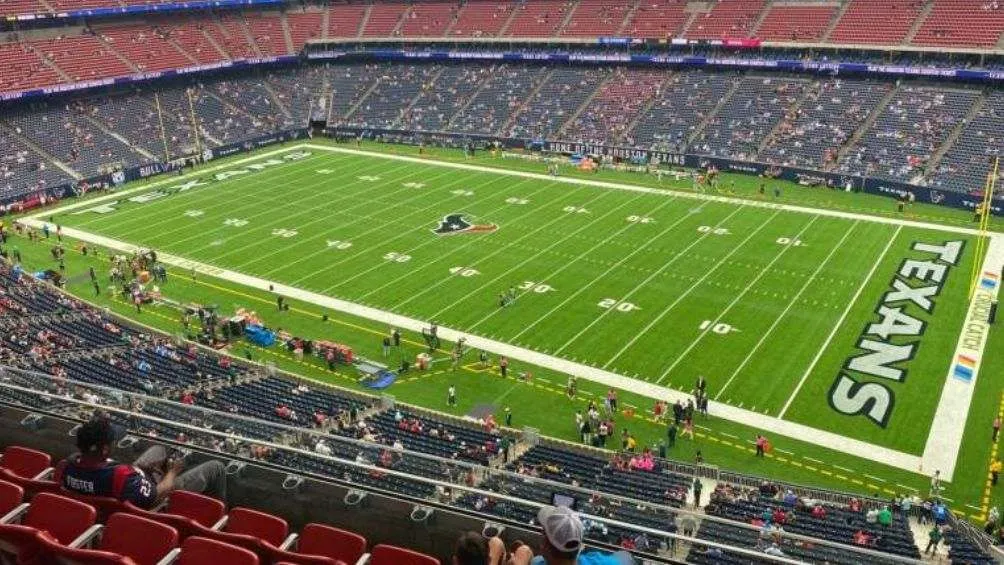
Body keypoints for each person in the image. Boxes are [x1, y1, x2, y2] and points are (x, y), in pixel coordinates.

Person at [56, 417, 226, 509]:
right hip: (151, 503)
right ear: (105, 449)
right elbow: (156, 496)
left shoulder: (66, 466)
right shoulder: (120, 475)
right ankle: (218, 512)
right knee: (216, 467)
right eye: (113, 440)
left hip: (125, 487)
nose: (116, 441)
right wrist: (172, 472)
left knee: (159, 449)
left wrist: (142, 469)